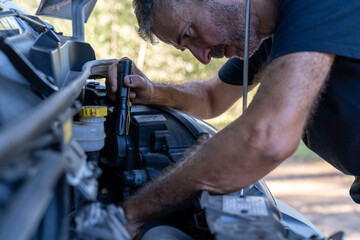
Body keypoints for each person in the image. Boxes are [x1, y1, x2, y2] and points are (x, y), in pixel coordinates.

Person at [107, 0, 360, 238]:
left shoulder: (311, 6)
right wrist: (153, 92)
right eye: (186, 47)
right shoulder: (274, 34)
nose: (202, 57)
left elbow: (268, 138)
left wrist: (133, 212)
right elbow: (211, 97)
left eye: (189, 33)